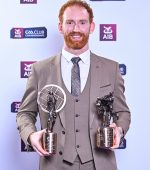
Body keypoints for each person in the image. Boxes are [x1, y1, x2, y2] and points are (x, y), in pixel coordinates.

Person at [16, 0, 131, 170]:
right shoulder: (39, 70)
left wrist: (119, 130)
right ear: (60, 27)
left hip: (100, 164)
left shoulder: (111, 69)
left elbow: (123, 112)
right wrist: (31, 136)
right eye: (69, 22)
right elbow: (25, 113)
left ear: (91, 27)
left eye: (82, 22)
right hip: (54, 164)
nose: (76, 29)